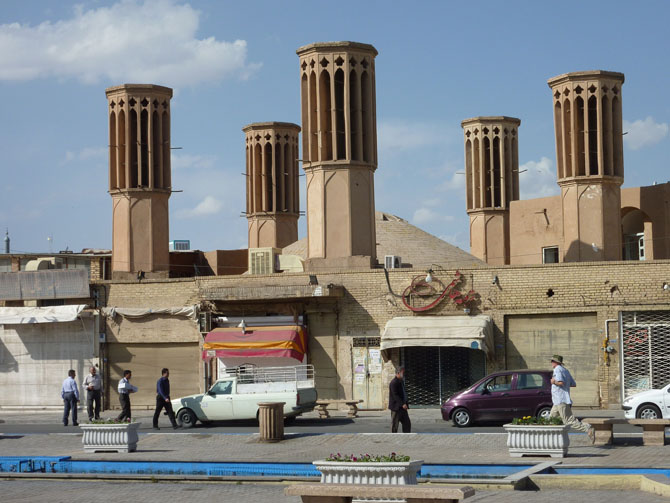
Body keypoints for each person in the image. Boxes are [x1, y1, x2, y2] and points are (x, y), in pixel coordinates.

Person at [549, 355, 595, 444]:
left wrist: (553, 382)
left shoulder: (557, 369)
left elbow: (561, 382)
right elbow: (573, 384)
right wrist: (564, 384)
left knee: (569, 420)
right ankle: (554, 440)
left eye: (552, 361)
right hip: (559, 401)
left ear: (556, 362)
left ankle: (588, 428)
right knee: (551, 419)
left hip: (560, 399)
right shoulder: (565, 370)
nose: (551, 362)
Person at [388, 366, 411, 433]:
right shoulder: (394, 382)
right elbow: (395, 395)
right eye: (402, 373)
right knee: (395, 425)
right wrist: (402, 404)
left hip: (403, 408)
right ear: (398, 373)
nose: (403, 374)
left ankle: (407, 436)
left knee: (407, 424)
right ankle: (393, 437)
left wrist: (405, 403)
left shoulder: (401, 382)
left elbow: (403, 393)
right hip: (396, 408)